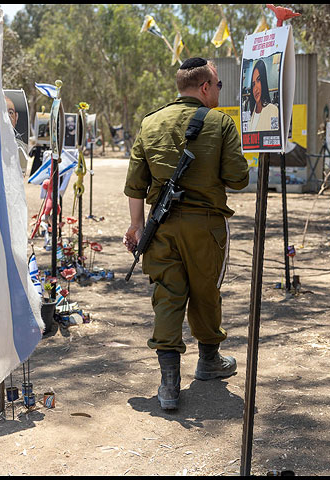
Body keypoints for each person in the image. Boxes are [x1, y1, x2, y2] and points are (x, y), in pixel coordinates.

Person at [123, 57, 249, 410]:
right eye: (219, 85)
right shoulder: (220, 124)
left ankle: (169, 384)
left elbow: (135, 185)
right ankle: (209, 361)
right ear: (205, 86)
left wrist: (136, 226)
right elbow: (238, 179)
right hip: (206, 227)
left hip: (160, 228)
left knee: (167, 296)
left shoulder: (150, 123)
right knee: (206, 292)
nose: (220, 92)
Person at [248, 59, 279, 132]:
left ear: (263, 81)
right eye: (253, 84)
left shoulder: (273, 110)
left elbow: (275, 135)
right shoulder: (251, 114)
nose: (255, 89)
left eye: (258, 80)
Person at [5, 94, 28, 175]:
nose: (7, 116)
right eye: (3, 111)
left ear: (16, 117)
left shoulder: (22, 147)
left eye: (10, 112)